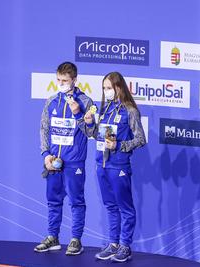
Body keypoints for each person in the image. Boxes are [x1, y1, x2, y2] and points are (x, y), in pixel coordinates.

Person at [84, 71, 146, 262]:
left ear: (119, 87)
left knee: (125, 207)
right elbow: (96, 134)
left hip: (118, 165)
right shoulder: (105, 109)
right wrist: (88, 123)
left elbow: (141, 139)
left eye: (109, 88)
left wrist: (119, 145)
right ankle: (113, 244)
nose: (106, 91)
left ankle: (125, 246)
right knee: (110, 206)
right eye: (104, 88)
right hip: (101, 164)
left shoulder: (130, 110)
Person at [34, 62, 93, 255]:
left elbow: (92, 132)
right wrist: (45, 155)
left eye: (65, 80)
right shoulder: (51, 101)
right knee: (53, 201)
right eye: (58, 80)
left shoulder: (86, 102)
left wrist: (77, 113)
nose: (61, 84)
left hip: (74, 162)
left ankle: (76, 240)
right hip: (53, 161)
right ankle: (53, 237)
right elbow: (44, 129)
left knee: (76, 202)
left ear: (74, 80)